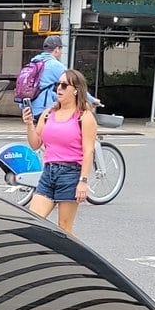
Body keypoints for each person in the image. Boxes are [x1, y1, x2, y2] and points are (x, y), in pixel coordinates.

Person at [28, 69, 96, 236]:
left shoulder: (84, 117)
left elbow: (88, 151)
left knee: (64, 229)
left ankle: (72, 261)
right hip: (49, 173)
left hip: (70, 174)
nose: (59, 88)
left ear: (76, 90)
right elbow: (35, 144)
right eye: (58, 85)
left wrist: (83, 181)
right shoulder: (49, 113)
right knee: (33, 221)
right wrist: (29, 124)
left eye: (64, 85)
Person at [20, 34, 66, 147]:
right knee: (63, 133)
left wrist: (57, 97)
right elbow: (74, 83)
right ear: (57, 49)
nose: (61, 53)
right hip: (43, 109)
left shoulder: (35, 62)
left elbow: (47, 92)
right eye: (61, 49)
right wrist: (92, 100)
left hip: (28, 107)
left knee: (42, 138)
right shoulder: (55, 65)